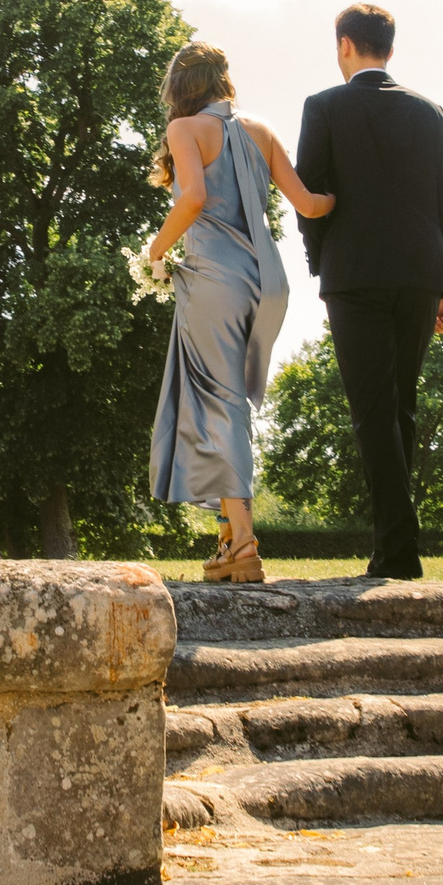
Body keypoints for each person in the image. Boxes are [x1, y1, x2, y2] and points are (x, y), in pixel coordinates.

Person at [147, 41, 335, 584]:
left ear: (180, 87)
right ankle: (230, 538)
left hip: (216, 280)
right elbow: (311, 205)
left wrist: (154, 253)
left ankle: (245, 543)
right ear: (222, 79)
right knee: (228, 402)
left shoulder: (184, 130)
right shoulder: (261, 129)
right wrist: (348, 194)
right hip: (268, 283)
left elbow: (193, 199)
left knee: (217, 402)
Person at [295, 3, 443, 582]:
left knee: (373, 414)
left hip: (355, 277)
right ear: (388, 48)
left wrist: (323, 265)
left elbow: (309, 199)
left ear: (345, 44)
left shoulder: (323, 107)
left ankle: (397, 551)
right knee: (400, 408)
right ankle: (394, 547)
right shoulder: (431, 112)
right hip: (422, 275)